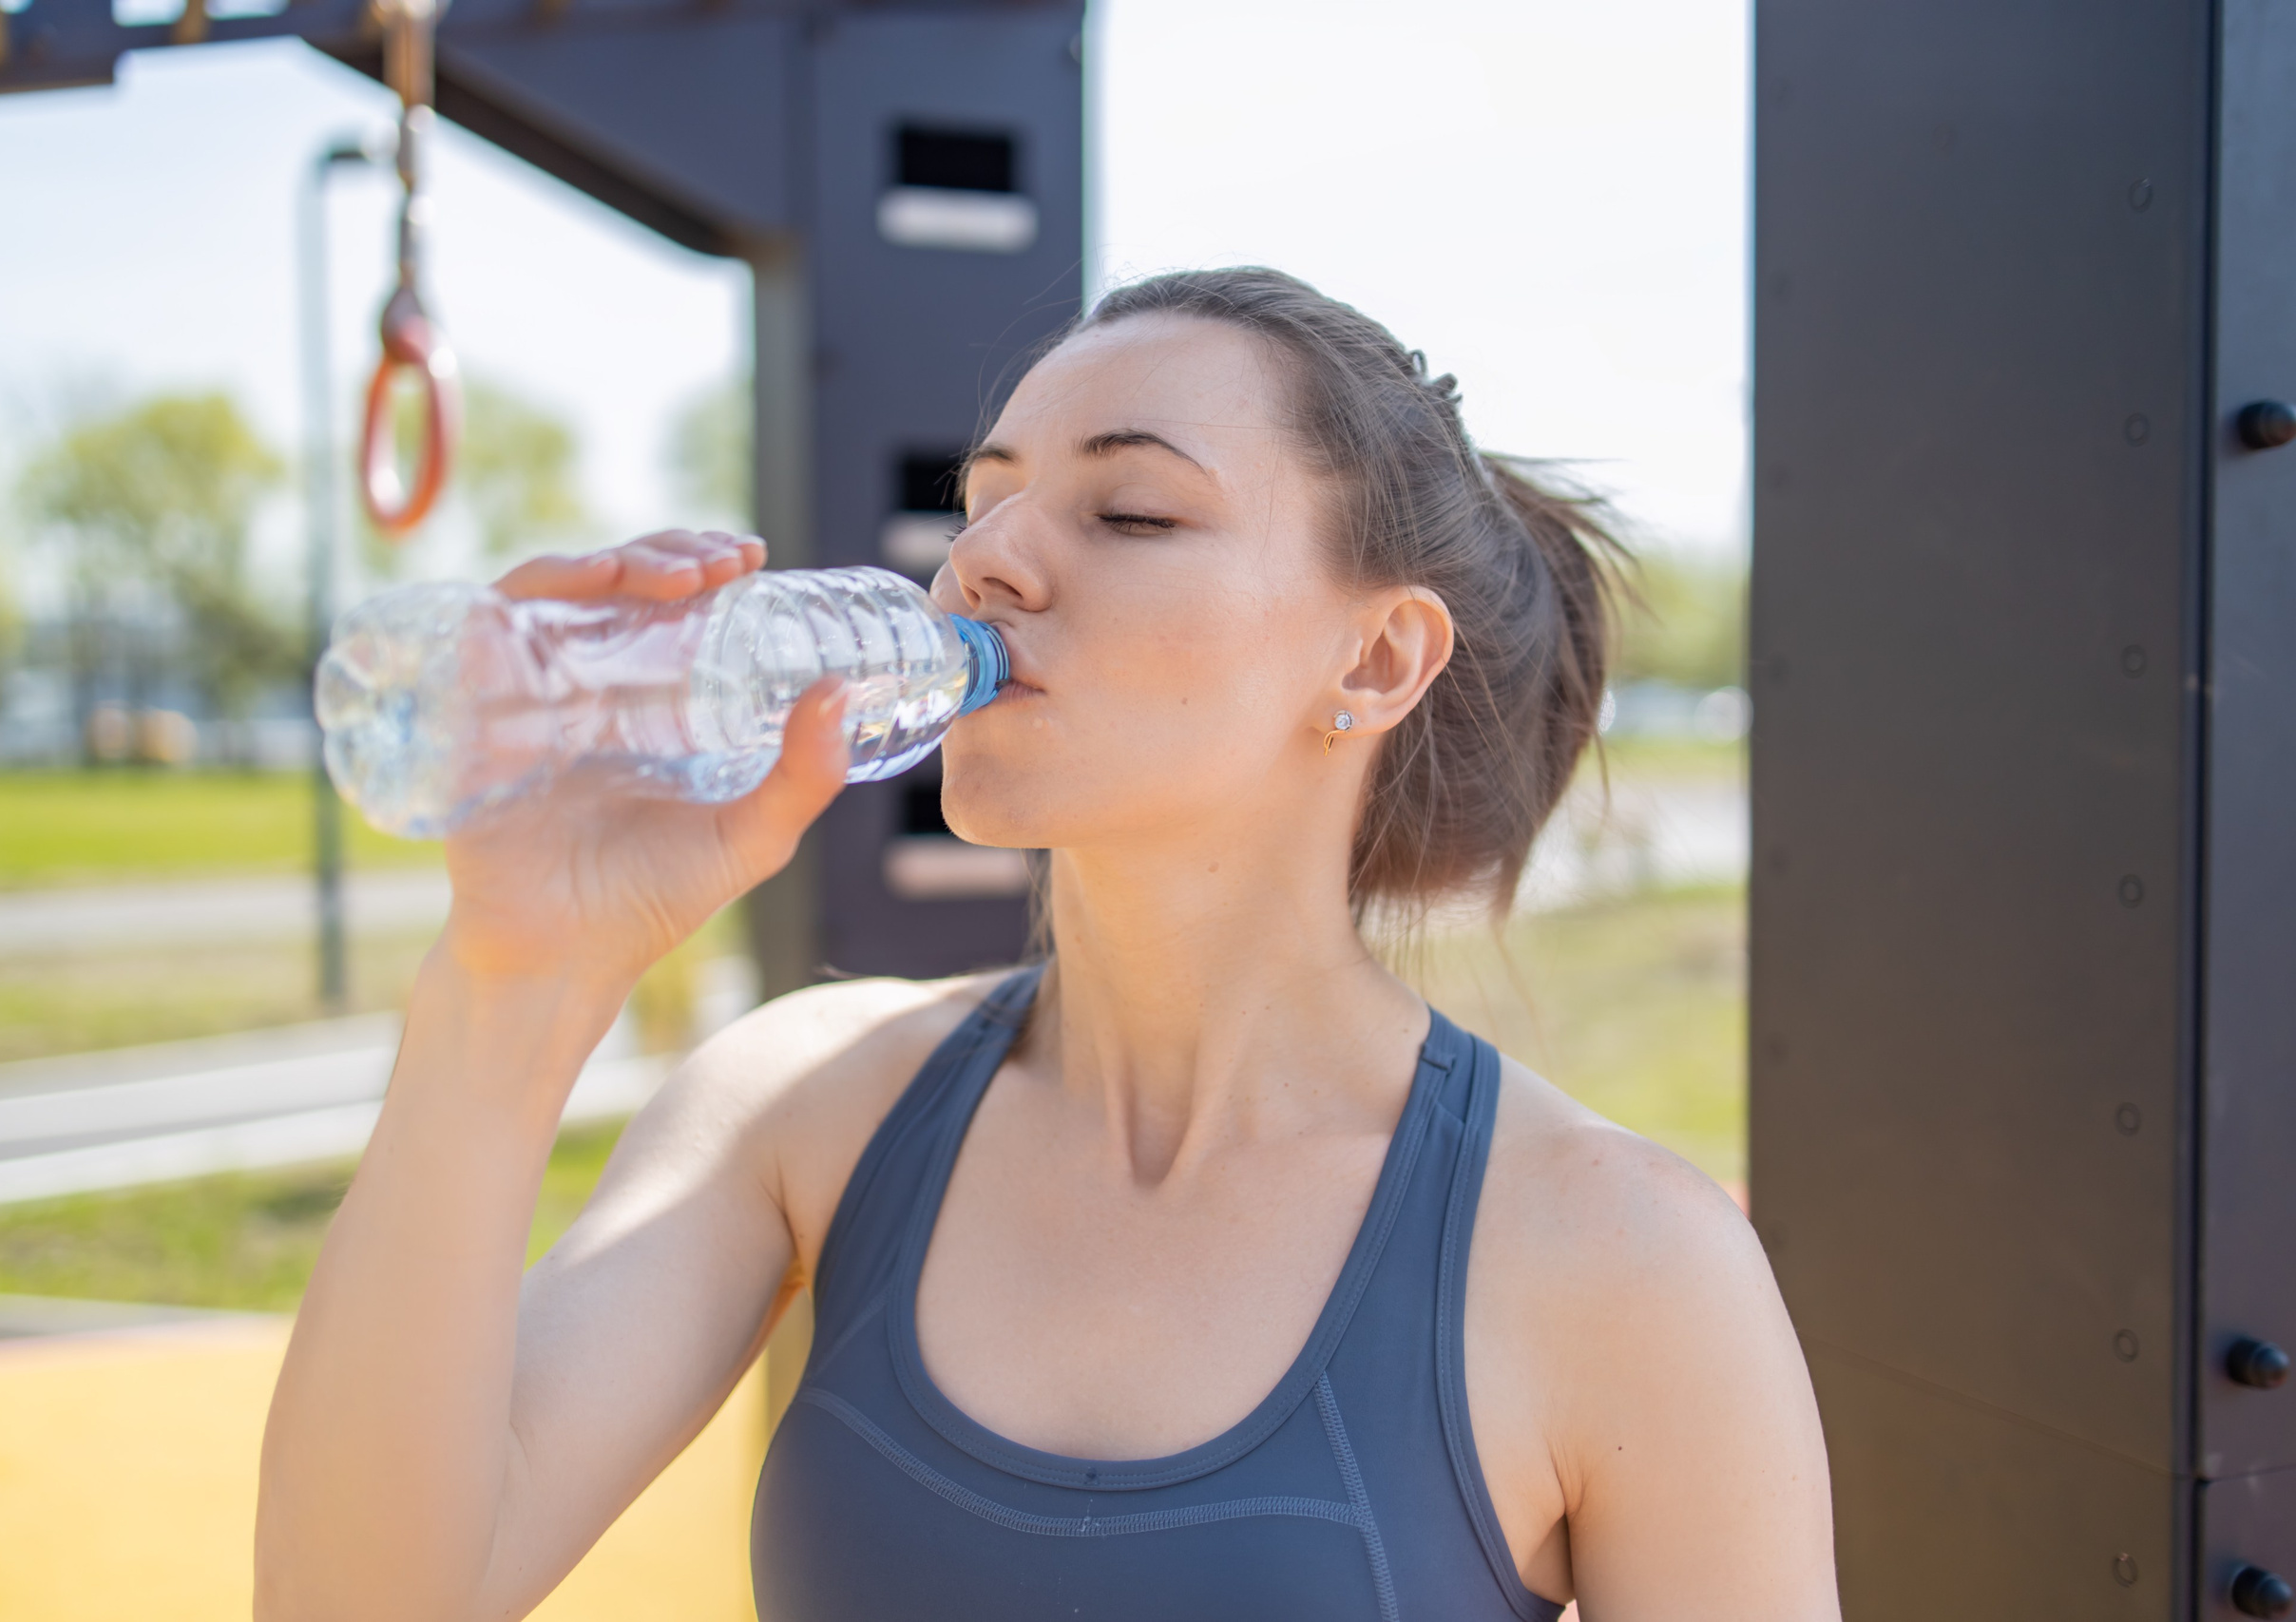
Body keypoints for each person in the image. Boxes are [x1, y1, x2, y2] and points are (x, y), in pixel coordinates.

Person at [257, 269, 1838, 1621]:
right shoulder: (804, 1107)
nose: (988, 561)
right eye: (984, 498)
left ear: (1375, 653)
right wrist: (510, 985)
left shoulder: (1627, 1259)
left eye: (1132, 509)